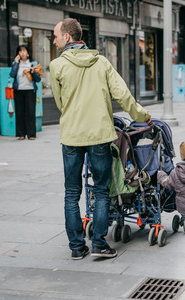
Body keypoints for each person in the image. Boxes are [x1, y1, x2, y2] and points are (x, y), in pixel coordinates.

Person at [49, 18, 151, 259]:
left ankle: (76, 247)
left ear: (67, 37)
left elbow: (60, 103)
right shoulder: (102, 62)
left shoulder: (57, 66)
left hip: (72, 135)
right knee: (102, 191)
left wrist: (74, 114)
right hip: (99, 135)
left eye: (55, 36)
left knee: (72, 193)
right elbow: (123, 95)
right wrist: (142, 116)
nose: (53, 40)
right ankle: (99, 245)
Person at [9, 45, 41, 140]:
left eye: (24, 51)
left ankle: (31, 134)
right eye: (20, 51)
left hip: (30, 91)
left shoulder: (33, 63)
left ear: (28, 52)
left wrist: (33, 72)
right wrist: (15, 63)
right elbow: (12, 74)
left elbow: (38, 79)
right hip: (18, 91)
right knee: (19, 113)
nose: (22, 53)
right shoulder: (16, 64)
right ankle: (21, 134)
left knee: (30, 112)